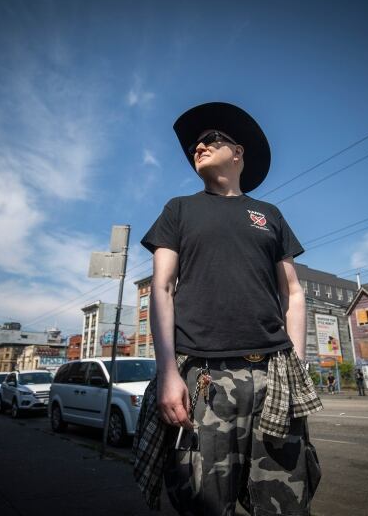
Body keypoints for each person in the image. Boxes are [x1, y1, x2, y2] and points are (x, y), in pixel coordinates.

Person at [133, 102, 323, 515]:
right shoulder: (178, 209)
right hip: (203, 377)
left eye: (209, 139)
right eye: (193, 144)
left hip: (273, 373)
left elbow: (293, 294)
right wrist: (167, 372)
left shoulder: (269, 216)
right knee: (204, 504)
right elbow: (161, 288)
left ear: (237, 152)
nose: (197, 146)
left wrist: (299, 367)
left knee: (284, 504)